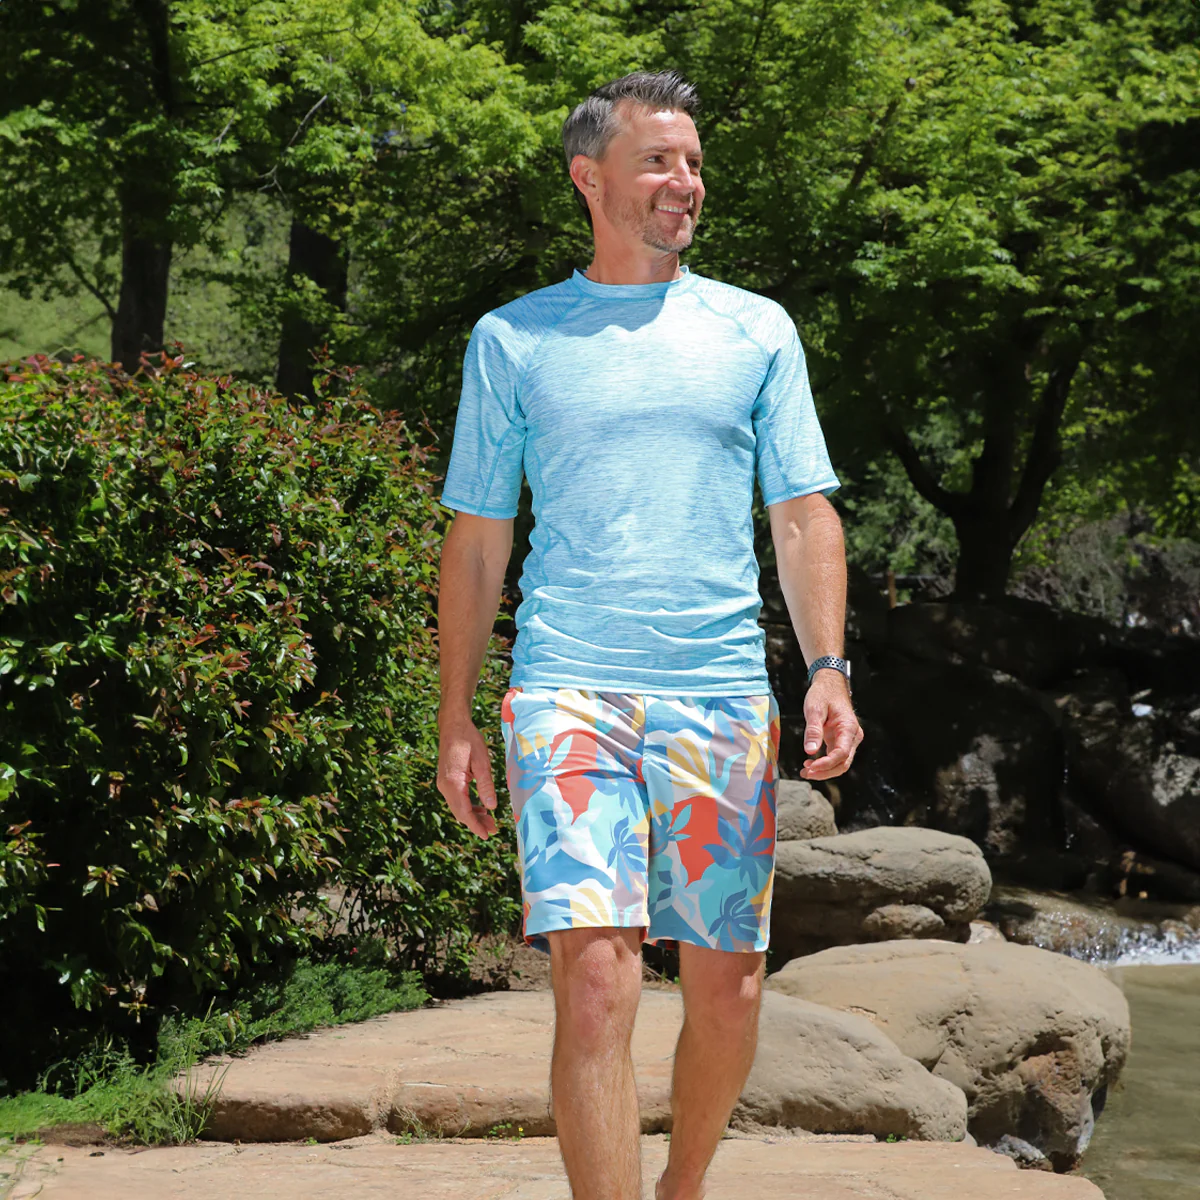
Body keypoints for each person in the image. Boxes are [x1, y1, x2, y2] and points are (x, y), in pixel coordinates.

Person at [436, 68, 863, 1200]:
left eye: (694, 162)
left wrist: (827, 668)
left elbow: (802, 512)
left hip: (719, 693)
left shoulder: (754, 330)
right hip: (568, 688)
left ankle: (682, 1186)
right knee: (595, 984)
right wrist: (456, 714)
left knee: (729, 990)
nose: (687, 182)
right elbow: (479, 537)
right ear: (590, 178)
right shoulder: (515, 338)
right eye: (659, 161)